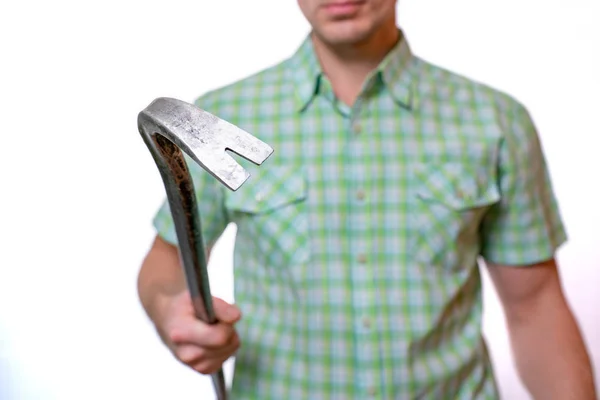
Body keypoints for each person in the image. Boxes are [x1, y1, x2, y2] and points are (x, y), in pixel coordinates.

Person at [137, 0, 597, 398]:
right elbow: (165, 263)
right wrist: (170, 311)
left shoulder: (496, 121)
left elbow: (534, 306)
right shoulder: (227, 113)